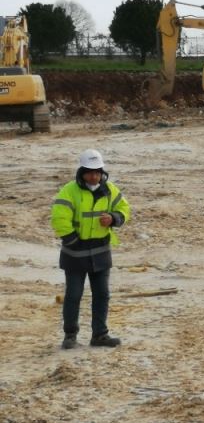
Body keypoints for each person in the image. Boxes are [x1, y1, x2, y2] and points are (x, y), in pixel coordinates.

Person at [51, 149, 130, 349]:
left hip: (100, 251)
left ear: (102, 172)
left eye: (97, 172)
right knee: (73, 295)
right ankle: (70, 336)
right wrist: (72, 240)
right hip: (75, 253)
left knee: (102, 294)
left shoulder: (110, 190)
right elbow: (59, 217)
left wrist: (113, 218)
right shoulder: (69, 191)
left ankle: (100, 335)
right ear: (82, 172)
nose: (94, 176)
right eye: (90, 172)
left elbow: (124, 209)